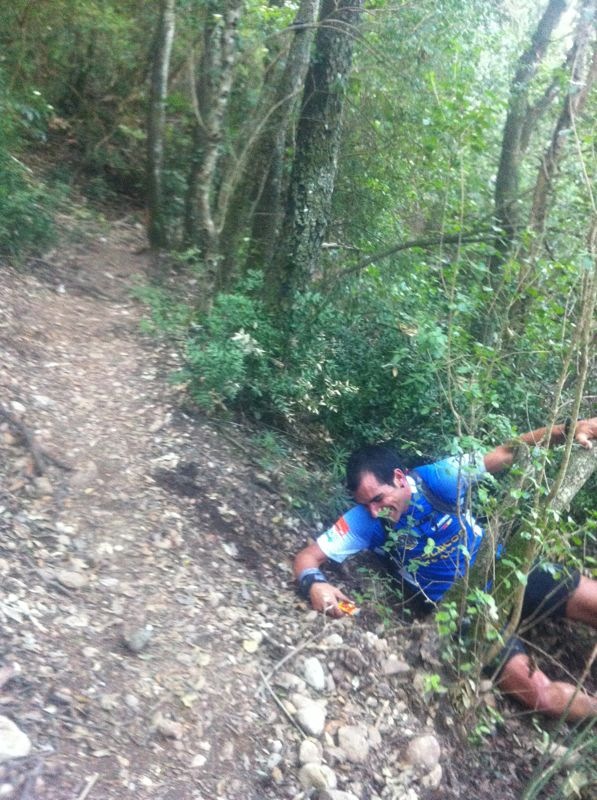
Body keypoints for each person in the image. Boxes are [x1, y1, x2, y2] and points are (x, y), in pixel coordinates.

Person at [294, 418, 597, 720]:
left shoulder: (438, 479)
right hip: (462, 608)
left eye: (378, 498)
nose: (375, 511)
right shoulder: (365, 520)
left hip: (506, 569)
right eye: (366, 504)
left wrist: (568, 431)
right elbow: (308, 557)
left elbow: (507, 451)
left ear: (399, 478)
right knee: (542, 696)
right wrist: (314, 583)